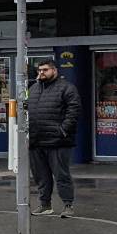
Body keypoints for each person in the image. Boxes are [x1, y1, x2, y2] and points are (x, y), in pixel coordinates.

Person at [26, 59, 82, 218]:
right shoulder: (34, 88)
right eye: (39, 70)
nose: (41, 73)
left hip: (58, 141)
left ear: (54, 71)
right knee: (40, 176)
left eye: (45, 70)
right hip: (36, 141)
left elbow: (74, 111)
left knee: (61, 175)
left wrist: (63, 130)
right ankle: (45, 205)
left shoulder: (67, 88)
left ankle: (68, 205)